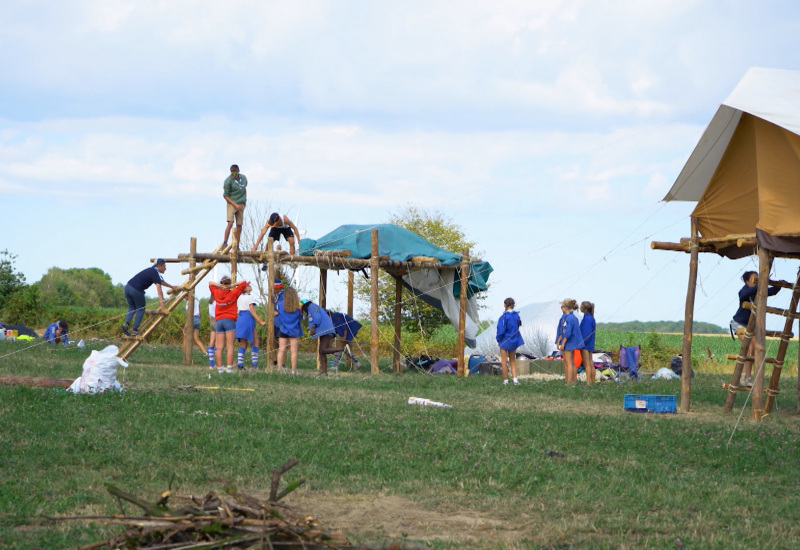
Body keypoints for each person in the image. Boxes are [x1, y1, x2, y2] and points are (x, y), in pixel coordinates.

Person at [731, 271, 781, 386]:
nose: (757, 281)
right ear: (747, 281)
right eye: (754, 279)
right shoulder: (744, 291)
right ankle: (744, 377)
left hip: (750, 325)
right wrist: (762, 283)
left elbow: (771, 291)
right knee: (750, 345)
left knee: (752, 348)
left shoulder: (759, 291)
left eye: (758, 279)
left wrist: (778, 285)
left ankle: (747, 378)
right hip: (739, 323)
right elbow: (749, 292)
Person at [122, 259, 177, 337]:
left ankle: (126, 324)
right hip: (136, 290)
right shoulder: (155, 273)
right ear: (160, 266)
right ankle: (134, 330)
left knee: (132, 307)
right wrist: (162, 305)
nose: (165, 268)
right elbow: (159, 290)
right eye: (164, 266)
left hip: (127, 287)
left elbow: (161, 281)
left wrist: (171, 286)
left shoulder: (151, 270)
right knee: (141, 309)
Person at [209, 276, 250, 373]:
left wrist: (219, 286)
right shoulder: (233, 293)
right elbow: (244, 282)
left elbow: (210, 283)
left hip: (218, 321)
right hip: (230, 320)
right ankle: (229, 369)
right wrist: (232, 285)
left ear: (221, 283)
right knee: (230, 346)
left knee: (219, 347)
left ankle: (219, 369)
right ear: (229, 284)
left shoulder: (216, 293)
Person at [301, 299, 345, 376]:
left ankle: (342, 349)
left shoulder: (311, 307)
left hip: (326, 331)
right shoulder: (314, 307)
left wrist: (313, 327)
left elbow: (317, 317)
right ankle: (324, 373)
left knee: (323, 350)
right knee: (321, 352)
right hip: (325, 331)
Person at [235, 284, 266, 370]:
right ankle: (254, 364)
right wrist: (260, 320)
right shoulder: (250, 297)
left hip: (240, 319)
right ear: (246, 288)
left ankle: (240, 364)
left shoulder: (239, 298)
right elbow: (251, 310)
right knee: (255, 341)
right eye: (248, 285)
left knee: (243, 343)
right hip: (247, 318)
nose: (250, 286)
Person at [496, 298, 524, 386]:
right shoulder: (516, 316)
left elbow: (501, 330)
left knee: (504, 361)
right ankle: (515, 380)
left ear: (505, 305)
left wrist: (498, 338)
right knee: (512, 360)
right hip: (514, 340)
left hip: (504, 340)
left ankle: (506, 380)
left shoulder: (504, 317)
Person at [275, 287, 303, 374]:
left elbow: (278, 315)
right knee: (293, 351)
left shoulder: (280, 304)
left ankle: (279, 369)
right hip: (294, 330)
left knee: (281, 350)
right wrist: (301, 310)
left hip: (283, 329)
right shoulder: (297, 307)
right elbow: (300, 318)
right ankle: (293, 371)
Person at [556, 298, 583, 385]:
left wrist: (563, 343)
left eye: (562, 307)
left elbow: (568, 332)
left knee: (569, 362)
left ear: (565, 308)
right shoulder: (567, 317)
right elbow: (561, 330)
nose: (561, 308)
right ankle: (569, 380)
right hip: (567, 341)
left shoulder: (570, 318)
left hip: (570, 342)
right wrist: (558, 341)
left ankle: (570, 382)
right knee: (567, 362)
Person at [222, 164, 248, 247]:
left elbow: (244, 189)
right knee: (230, 223)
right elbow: (225, 195)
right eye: (233, 173)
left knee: (239, 225)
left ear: (238, 171)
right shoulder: (228, 181)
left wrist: (245, 201)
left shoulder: (243, 178)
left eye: (236, 173)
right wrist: (234, 204)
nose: (234, 175)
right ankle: (225, 243)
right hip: (232, 203)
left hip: (241, 203)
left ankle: (237, 245)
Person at [579, 301, 596, 385]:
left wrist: (582, 343)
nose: (580, 307)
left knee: (587, 364)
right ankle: (593, 380)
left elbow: (586, 333)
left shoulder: (586, 319)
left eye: (581, 306)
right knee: (591, 363)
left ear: (585, 309)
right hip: (590, 343)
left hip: (585, 344)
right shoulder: (591, 318)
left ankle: (588, 382)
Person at [207, 296, 216, 369]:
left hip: (212, 320)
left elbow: (209, 315)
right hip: (217, 319)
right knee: (218, 342)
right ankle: (217, 362)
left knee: (212, 341)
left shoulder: (210, 302)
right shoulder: (217, 302)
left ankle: (211, 363)